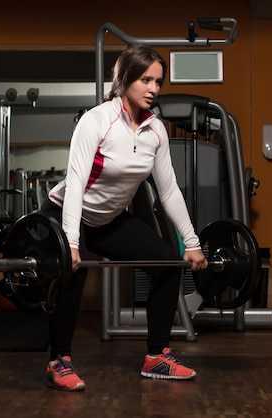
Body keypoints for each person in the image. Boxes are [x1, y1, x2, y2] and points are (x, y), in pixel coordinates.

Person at [41, 44, 207, 392]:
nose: (153, 89)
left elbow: (169, 191)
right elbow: (74, 186)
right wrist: (71, 243)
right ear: (125, 79)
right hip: (66, 212)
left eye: (158, 82)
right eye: (146, 79)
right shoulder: (97, 121)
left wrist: (191, 242)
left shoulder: (156, 131)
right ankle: (60, 360)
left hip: (108, 219)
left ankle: (157, 357)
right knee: (75, 269)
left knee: (167, 263)